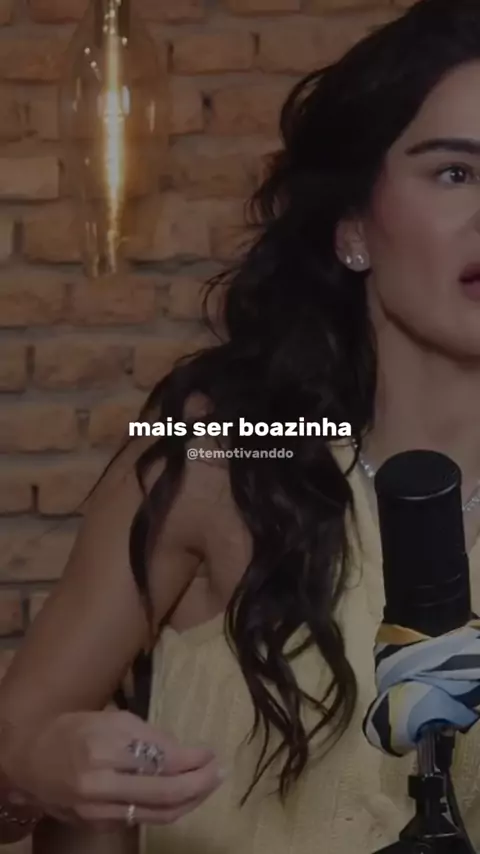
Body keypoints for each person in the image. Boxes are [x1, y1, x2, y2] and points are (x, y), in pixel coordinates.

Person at [4, 0, 480, 851]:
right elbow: (18, 746)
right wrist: (48, 762)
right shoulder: (228, 453)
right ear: (353, 227)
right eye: (455, 173)